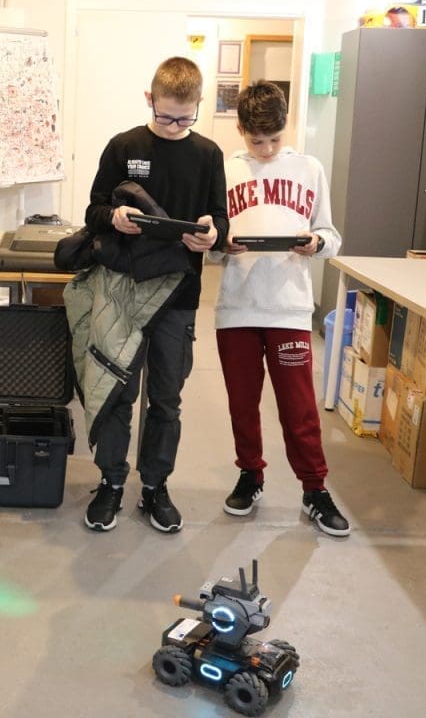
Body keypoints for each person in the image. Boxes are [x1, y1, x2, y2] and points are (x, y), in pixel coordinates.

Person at [80, 56, 227, 534]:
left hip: (179, 295)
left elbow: (220, 219)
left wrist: (211, 233)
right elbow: (93, 210)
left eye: (185, 119)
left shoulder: (208, 155)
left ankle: (155, 486)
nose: (174, 126)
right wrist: (114, 217)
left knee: (166, 399)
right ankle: (111, 482)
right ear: (150, 99)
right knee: (118, 393)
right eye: (165, 117)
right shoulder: (124, 146)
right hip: (124, 290)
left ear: (198, 105)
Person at [212, 80, 350, 537]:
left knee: (299, 407)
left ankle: (315, 488)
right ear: (241, 130)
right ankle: (250, 474)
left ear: (286, 126)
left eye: (274, 139)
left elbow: (330, 235)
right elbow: (208, 247)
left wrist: (316, 243)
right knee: (242, 403)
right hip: (237, 306)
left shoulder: (309, 169)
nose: (267, 149)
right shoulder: (225, 171)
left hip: (290, 308)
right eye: (257, 141)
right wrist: (220, 245)